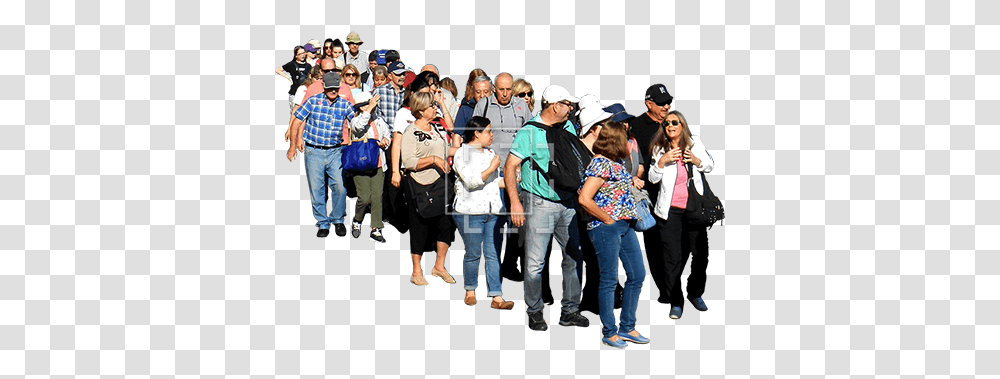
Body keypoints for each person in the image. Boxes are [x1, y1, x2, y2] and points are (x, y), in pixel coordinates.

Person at [504, 85, 589, 331]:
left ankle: (570, 311)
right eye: (567, 104)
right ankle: (535, 311)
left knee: (574, 257)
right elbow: (510, 167)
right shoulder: (528, 133)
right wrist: (515, 202)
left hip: (569, 202)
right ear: (555, 105)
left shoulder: (568, 127)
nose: (571, 109)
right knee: (534, 263)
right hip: (539, 203)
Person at [577, 121, 648, 349]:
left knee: (637, 274)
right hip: (606, 228)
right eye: (625, 138)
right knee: (608, 279)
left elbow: (616, 188)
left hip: (624, 225)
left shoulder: (615, 163)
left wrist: (632, 181)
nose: (629, 142)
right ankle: (610, 331)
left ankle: (628, 327)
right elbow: (584, 198)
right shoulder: (600, 164)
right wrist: (607, 218)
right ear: (616, 140)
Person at [647, 110, 714, 320]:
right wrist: (661, 162)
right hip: (670, 211)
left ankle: (695, 293)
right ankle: (676, 301)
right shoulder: (659, 148)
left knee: (700, 254)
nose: (670, 126)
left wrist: (695, 160)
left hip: (694, 208)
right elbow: (652, 178)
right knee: (671, 258)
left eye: (674, 122)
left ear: (682, 125)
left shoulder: (695, 142)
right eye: (666, 123)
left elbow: (710, 165)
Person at [473, 73, 533, 282]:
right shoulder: (483, 105)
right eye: (501, 89)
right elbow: (475, 137)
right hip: (493, 175)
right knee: (495, 223)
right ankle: (494, 269)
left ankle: (510, 264)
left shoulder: (521, 106)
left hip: (516, 174)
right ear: (493, 88)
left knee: (517, 224)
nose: (505, 94)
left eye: (509, 89)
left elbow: (530, 134)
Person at [452, 116, 515, 310]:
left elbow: (496, 182)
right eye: (488, 131)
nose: (491, 135)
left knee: (494, 253)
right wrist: (492, 168)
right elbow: (471, 182)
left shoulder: (490, 153)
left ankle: (496, 296)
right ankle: (470, 289)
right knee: (473, 253)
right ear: (477, 133)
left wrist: (516, 179)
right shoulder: (462, 153)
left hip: (493, 212)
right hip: (469, 213)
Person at [286, 72, 357, 238]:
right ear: (324, 87)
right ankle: (323, 223)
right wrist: (292, 146)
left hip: (335, 151)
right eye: (330, 87)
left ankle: (338, 219)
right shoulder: (313, 100)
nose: (333, 90)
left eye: (335, 87)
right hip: (314, 151)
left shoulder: (344, 104)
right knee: (317, 188)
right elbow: (297, 121)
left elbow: (357, 122)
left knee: (340, 187)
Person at [400, 92, 457, 285]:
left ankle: (439, 266)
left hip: (440, 184)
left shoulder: (436, 129)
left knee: (446, 226)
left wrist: (466, 150)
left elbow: (443, 150)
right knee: (419, 228)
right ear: (422, 110)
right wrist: (433, 160)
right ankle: (417, 271)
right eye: (432, 105)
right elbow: (408, 161)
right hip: (419, 185)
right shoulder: (410, 132)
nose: (435, 108)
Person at [631, 84, 675, 304]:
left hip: (675, 195)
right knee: (655, 244)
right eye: (661, 102)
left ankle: (672, 285)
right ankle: (665, 290)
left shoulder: (673, 122)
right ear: (649, 104)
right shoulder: (635, 126)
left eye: (668, 101)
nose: (666, 106)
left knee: (676, 243)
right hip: (650, 194)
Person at [346, 91, 389, 242]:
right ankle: (357, 220)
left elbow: (387, 134)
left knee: (377, 197)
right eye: (368, 105)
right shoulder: (355, 120)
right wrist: (369, 108)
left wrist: (385, 141)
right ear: (361, 107)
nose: (372, 107)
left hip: (378, 164)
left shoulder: (379, 120)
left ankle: (376, 228)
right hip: (361, 164)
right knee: (364, 198)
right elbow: (359, 127)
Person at [276, 46, 311, 112]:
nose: (302, 55)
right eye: (300, 54)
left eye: (303, 53)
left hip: (305, 92)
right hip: (294, 92)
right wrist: (288, 78)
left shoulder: (308, 66)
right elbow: (278, 70)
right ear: (296, 56)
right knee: (294, 113)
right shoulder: (291, 64)